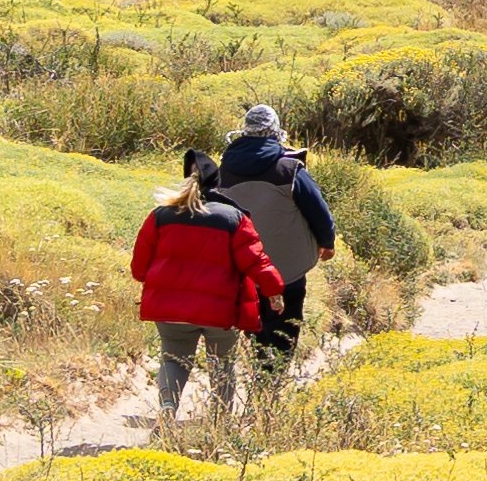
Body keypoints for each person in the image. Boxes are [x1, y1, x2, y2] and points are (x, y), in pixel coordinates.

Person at [132, 157, 286, 425]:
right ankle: (220, 423)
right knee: (222, 364)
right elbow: (256, 260)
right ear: (218, 184)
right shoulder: (233, 218)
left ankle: (168, 408)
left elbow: (139, 269)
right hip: (220, 311)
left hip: (169, 309)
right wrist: (274, 290)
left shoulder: (160, 216)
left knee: (174, 359)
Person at [213, 99, 338, 365]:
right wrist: (327, 241)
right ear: (276, 131)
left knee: (255, 323)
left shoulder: (222, 170)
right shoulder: (289, 168)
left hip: (244, 266)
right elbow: (318, 210)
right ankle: (274, 382)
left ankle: (259, 370)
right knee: (285, 328)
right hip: (287, 268)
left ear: (244, 131)